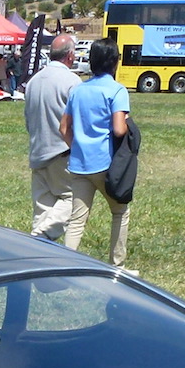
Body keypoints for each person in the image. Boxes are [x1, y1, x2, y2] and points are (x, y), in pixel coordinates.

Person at [61, 39, 133, 269]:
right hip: (105, 164)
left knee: (77, 220)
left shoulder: (78, 90)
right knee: (120, 211)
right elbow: (120, 128)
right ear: (115, 62)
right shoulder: (117, 90)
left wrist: (77, 147)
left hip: (79, 163)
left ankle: (63, 264)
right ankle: (117, 265)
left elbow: (64, 128)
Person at [23, 33, 82, 243]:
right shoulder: (73, 82)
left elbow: (28, 119)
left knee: (43, 209)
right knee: (73, 200)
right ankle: (39, 238)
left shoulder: (33, 81)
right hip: (62, 152)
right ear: (71, 56)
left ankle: (37, 252)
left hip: (37, 150)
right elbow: (77, 121)